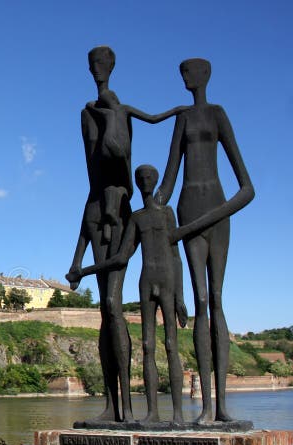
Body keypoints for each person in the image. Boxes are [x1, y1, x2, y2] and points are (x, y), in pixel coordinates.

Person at [70, 46, 186, 423]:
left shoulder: (117, 112)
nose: (96, 71)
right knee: (106, 311)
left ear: (110, 68)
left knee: (115, 307)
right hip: (97, 208)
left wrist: (111, 116)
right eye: (92, 66)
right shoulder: (87, 114)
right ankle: (112, 405)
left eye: (101, 66)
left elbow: (119, 153)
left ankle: (131, 408)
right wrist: (77, 259)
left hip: (118, 211)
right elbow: (91, 175)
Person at [155, 58, 254, 423]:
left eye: (190, 72)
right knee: (199, 299)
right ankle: (207, 407)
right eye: (180, 72)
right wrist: (148, 209)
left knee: (216, 298)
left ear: (205, 75)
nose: (184, 77)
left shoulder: (217, 114)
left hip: (214, 209)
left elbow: (247, 187)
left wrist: (214, 215)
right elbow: (168, 178)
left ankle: (223, 404)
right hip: (187, 208)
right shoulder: (181, 119)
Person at [68, 165, 188, 423]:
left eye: (149, 178)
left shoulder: (168, 214)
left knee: (170, 344)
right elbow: (121, 258)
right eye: (140, 178)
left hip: (167, 280)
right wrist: (83, 270)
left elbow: (176, 256)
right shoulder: (136, 218)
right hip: (146, 282)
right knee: (147, 346)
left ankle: (177, 414)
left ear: (156, 181)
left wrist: (180, 297)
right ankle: (152, 412)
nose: (145, 182)